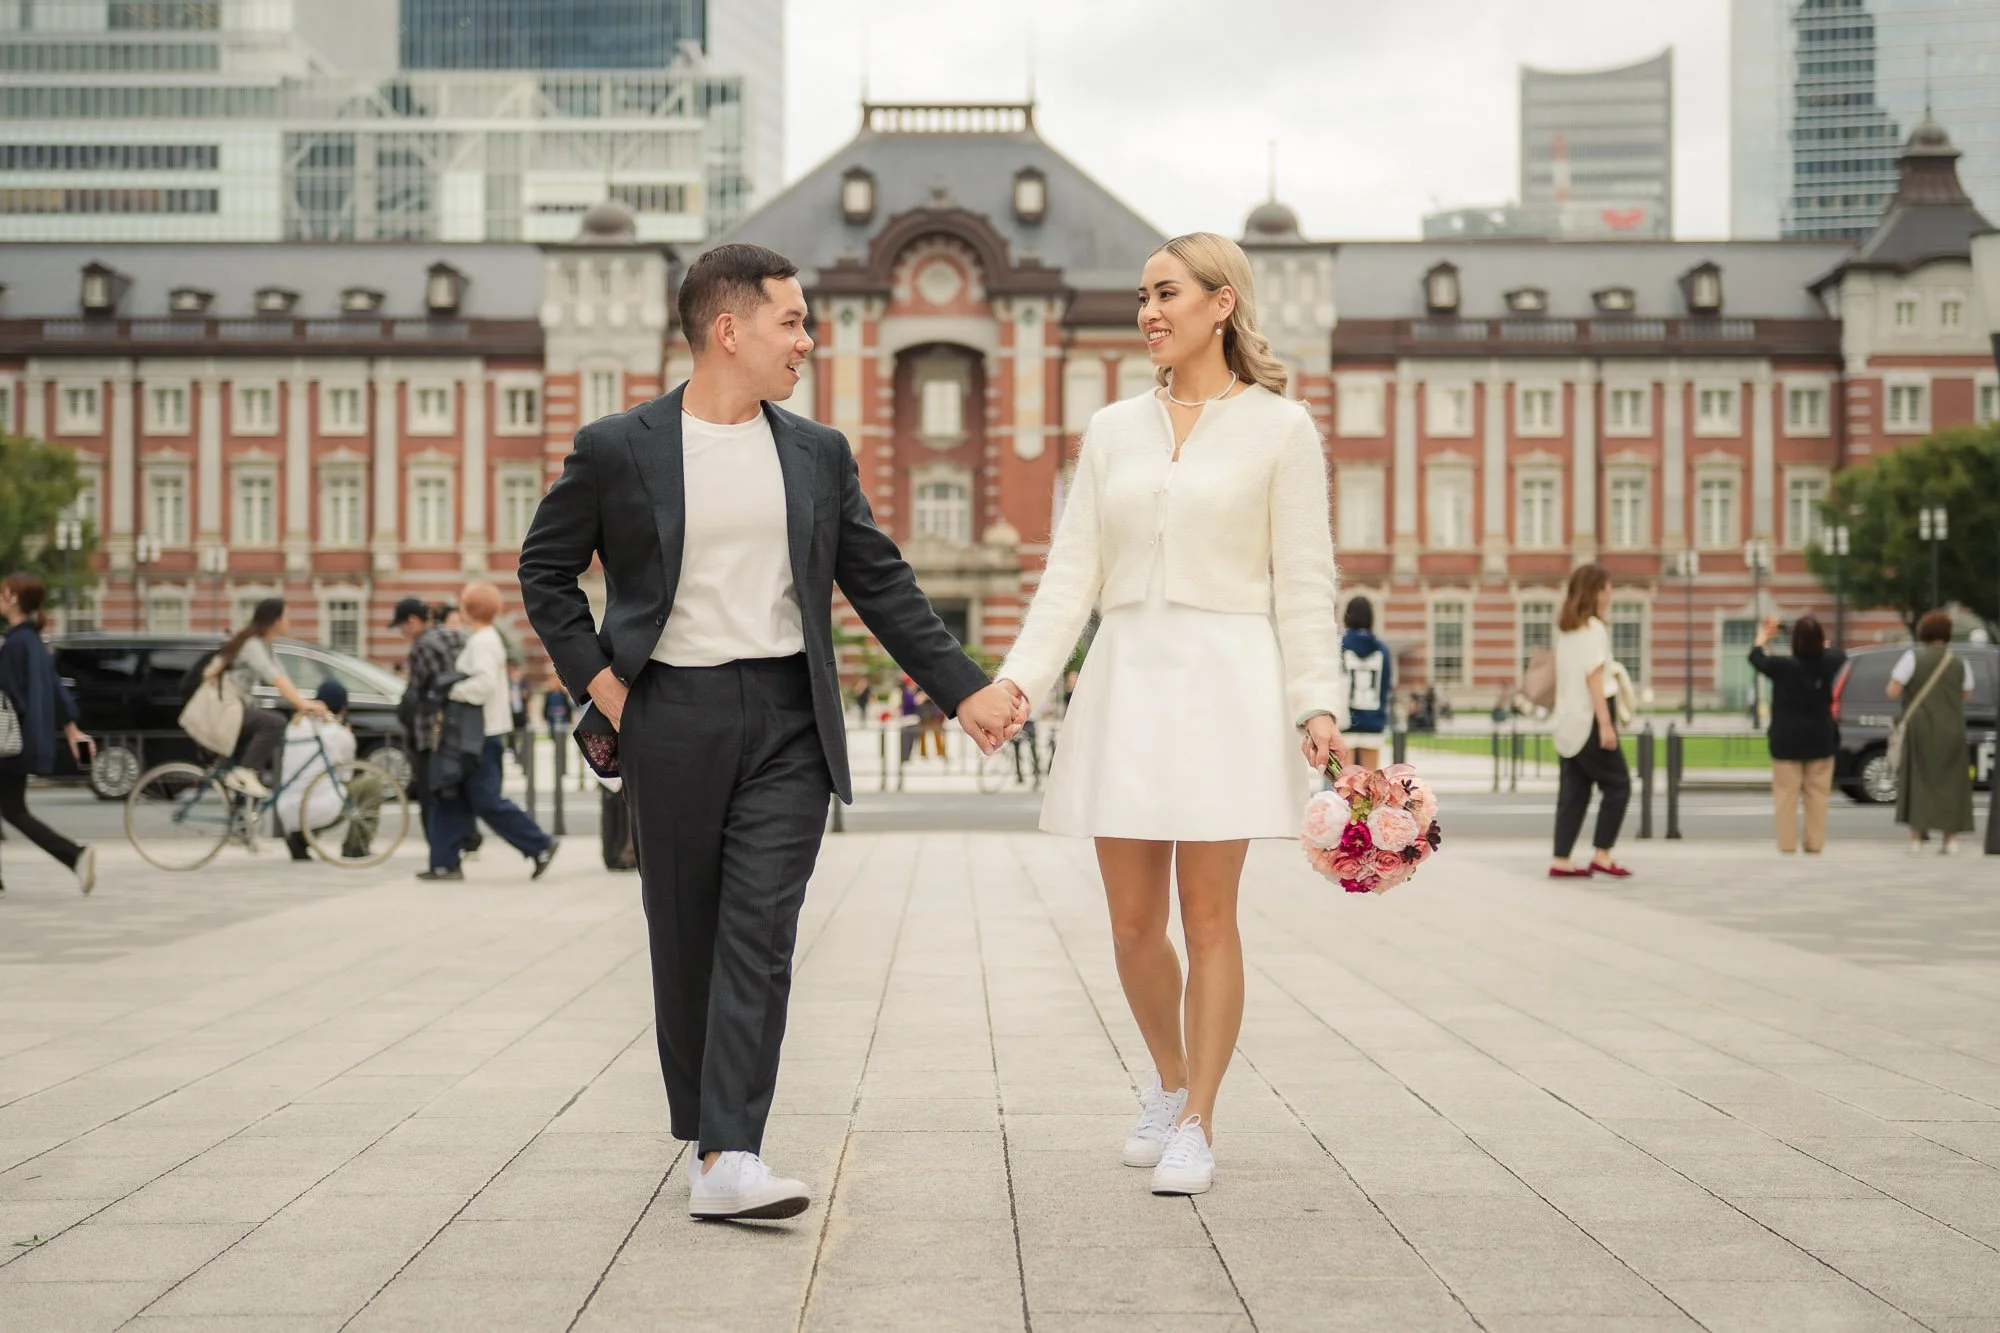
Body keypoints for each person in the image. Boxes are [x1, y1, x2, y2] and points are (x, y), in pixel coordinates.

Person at [519, 242, 1025, 1222]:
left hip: (791, 719)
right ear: (727, 329)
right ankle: (706, 1130)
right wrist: (603, 685)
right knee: (685, 937)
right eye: (790, 321)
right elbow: (545, 570)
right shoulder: (618, 446)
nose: (806, 340)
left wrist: (963, 689)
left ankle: (729, 1153)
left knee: (759, 931)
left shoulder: (816, 452)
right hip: (671, 712)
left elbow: (880, 581)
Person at [996, 232, 1349, 1197]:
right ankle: (1169, 1078)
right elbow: (1071, 574)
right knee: (1130, 922)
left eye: (1166, 293)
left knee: (1210, 915)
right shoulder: (1113, 429)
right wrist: (1021, 683)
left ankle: (1199, 1121)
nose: (1148, 313)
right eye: (1143, 297)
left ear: (1221, 303)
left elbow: (1304, 579)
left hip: (1228, 676)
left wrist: (1316, 700)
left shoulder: (1282, 429)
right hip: (1127, 675)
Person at [421, 582, 558, 882]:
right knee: (454, 795)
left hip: (479, 733)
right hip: (481, 732)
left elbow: (483, 684)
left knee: (482, 799)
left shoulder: (482, 642)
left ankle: (539, 843)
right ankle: (444, 862)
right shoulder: (486, 638)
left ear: (467, 610)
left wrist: (452, 692)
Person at [0, 573, 97, 896]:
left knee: (14, 810)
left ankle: (74, 856)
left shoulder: (15, 644)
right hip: (22, 739)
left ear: (14, 599)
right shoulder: (34, 641)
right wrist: (72, 730)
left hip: (8, 742)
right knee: (12, 808)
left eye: (3, 593)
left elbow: (9, 697)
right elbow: (56, 690)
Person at [1547, 564, 1632, 880]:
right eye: (1607, 589)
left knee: (1575, 790)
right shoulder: (1594, 629)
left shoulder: (1566, 631)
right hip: (1592, 716)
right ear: (1594, 592)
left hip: (1568, 720)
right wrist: (1606, 724)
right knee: (1619, 784)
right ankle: (1602, 854)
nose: (1610, 595)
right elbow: (1594, 679)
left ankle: (1561, 858)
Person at [211, 598, 328, 799]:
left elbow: (282, 675)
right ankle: (243, 773)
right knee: (274, 723)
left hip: (236, 706)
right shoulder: (251, 644)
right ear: (275, 621)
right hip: (224, 708)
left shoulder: (264, 645)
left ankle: (241, 805)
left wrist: (305, 702)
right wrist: (301, 704)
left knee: (255, 772)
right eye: (286, 617)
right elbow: (273, 677)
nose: (289, 622)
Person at [1749, 615, 1844, 854]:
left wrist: (1765, 635)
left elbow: (1756, 656)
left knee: (1785, 796)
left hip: (1787, 740)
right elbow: (1836, 652)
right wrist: (1819, 642)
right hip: (1821, 739)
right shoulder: (1830, 662)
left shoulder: (1782, 667)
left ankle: (1787, 845)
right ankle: (1814, 844)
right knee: (1818, 797)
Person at [1887, 610, 1975, 856]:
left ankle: (1916, 839)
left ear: (1923, 633)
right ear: (1948, 634)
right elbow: (1967, 694)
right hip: (1952, 729)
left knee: (1918, 781)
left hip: (1920, 728)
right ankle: (1950, 839)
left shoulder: (1912, 658)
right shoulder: (1959, 662)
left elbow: (1892, 691)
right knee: (1952, 783)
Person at [277, 679, 384, 862]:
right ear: (342, 709)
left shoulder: (294, 725)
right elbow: (345, 775)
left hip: (286, 809)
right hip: (321, 809)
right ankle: (356, 846)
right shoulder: (339, 733)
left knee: (315, 789)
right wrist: (347, 733)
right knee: (371, 784)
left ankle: (300, 838)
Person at [1340, 596, 1392, 770]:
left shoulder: (1340, 645)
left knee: (1346, 780)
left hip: (1346, 721)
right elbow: (1386, 685)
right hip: (1373, 721)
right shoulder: (1382, 649)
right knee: (1370, 780)